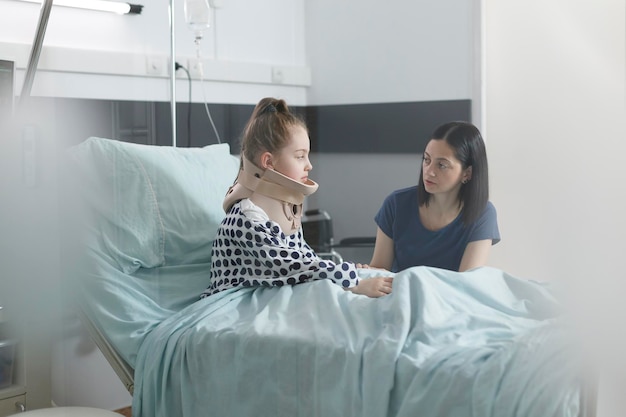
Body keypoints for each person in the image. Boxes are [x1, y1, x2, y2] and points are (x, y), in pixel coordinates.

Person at [201, 97, 392, 298]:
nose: (309, 165)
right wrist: (353, 282)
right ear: (268, 162)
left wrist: (354, 272)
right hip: (238, 300)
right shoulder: (245, 220)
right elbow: (292, 266)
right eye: (300, 156)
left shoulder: (285, 212)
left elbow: (305, 261)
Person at [369, 121, 500, 273]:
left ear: (467, 173)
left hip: (450, 297)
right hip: (400, 294)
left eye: (442, 165)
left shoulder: (483, 213)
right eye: (426, 160)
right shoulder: (396, 204)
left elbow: (466, 284)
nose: (429, 171)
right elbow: (379, 270)